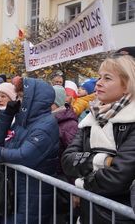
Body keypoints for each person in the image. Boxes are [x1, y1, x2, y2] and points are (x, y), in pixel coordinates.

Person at [62, 53, 135, 223]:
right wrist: (104, 160)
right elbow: (67, 161)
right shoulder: (90, 119)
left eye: (107, 78)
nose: (98, 83)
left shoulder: (132, 121)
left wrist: (81, 183)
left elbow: (118, 178)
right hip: (88, 213)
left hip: (119, 217)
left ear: (126, 86)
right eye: (99, 77)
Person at [0, 77, 59, 223]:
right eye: (18, 96)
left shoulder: (45, 125)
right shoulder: (22, 121)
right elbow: (0, 142)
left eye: (21, 97)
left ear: (34, 100)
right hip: (15, 188)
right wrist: (7, 115)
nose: (18, 101)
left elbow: (24, 156)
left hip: (31, 193)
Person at [52, 85, 79, 223]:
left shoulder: (69, 125)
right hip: (55, 180)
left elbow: (74, 159)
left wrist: (75, 190)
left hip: (65, 183)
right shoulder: (52, 120)